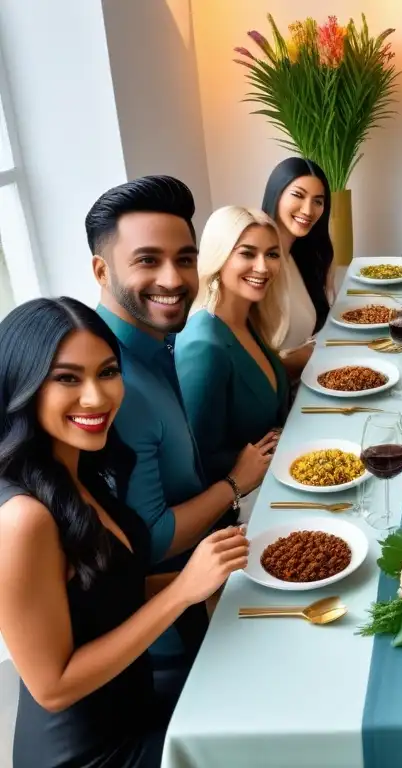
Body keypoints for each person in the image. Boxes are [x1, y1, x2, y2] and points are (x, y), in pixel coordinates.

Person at [0, 297, 249, 768]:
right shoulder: (22, 519)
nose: (96, 397)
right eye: (67, 378)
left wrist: (215, 576)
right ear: (23, 385)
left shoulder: (81, 468)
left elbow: (106, 594)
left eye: (108, 372)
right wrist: (180, 593)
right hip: (91, 754)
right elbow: (51, 687)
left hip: (136, 709)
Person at [86, 176, 273, 697]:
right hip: (164, 640)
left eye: (185, 259)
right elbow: (153, 539)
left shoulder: (158, 342)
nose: (173, 278)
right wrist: (235, 485)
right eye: (147, 260)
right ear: (102, 270)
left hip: (199, 584)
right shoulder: (110, 382)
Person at [176, 206, 288, 494]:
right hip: (245, 499)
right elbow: (199, 459)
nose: (262, 267)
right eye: (247, 253)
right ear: (220, 257)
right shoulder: (203, 346)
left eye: (272, 254)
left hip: (281, 468)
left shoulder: (249, 318)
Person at [261, 157, 333, 378]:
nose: (308, 210)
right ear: (276, 194)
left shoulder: (304, 255)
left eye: (318, 201)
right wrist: (307, 355)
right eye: (298, 195)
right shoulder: (259, 265)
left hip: (312, 374)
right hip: (283, 393)